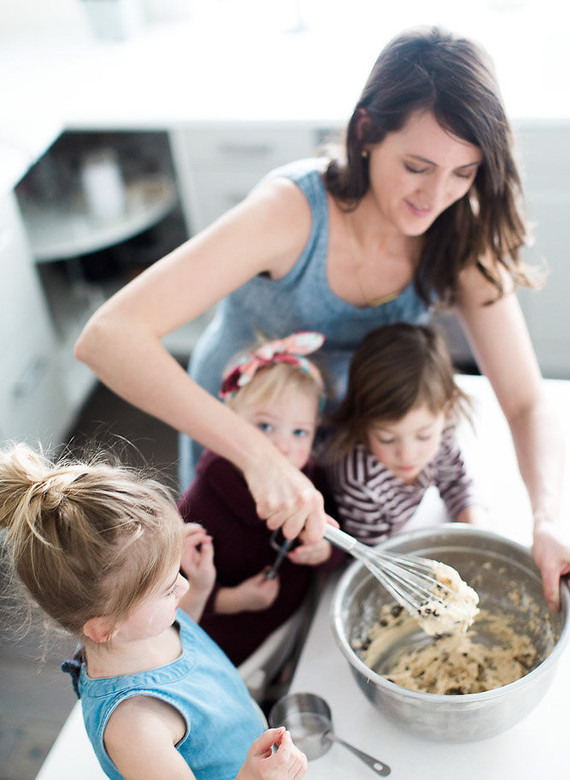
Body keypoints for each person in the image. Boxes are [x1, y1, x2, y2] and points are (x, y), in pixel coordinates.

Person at [75, 26, 569, 609]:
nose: (435, 196)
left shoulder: (459, 231)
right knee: (234, 595)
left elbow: (524, 399)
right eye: (417, 166)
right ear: (365, 133)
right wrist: (257, 455)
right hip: (244, 438)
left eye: (463, 174)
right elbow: (108, 336)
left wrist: (549, 514)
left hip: (345, 456)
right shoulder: (290, 213)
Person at [0, 443, 307, 780]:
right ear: (104, 626)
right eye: (167, 588)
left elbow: (183, 640)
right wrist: (254, 779)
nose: (179, 587)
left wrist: (197, 590)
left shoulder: (137, 628)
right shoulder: (134, 725)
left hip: (254, 777)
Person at [177, 331, 344, 666]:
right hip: (226, 648)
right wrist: (232, 601)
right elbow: (171, 592)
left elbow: (340, 536)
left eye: (300, 432)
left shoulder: (309, 476)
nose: (283, 447)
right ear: (230, 422)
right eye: (266, 427)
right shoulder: (201, 502)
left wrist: (324, 550)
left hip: (293, 628)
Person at [325, 323, 488, 544]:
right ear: (362, 422)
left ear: (447, 410)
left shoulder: (442, 427)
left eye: (423, 436)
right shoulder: (357, 476)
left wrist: (478, 532)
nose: (407, 454)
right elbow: (375, 554)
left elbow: (456, 483)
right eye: (387, 438)